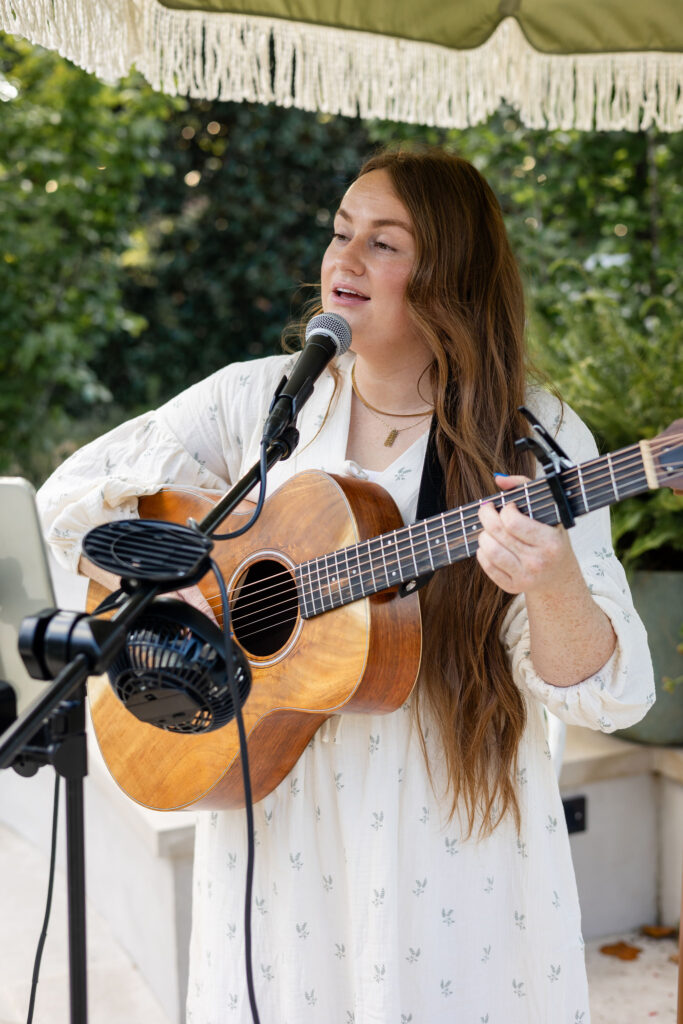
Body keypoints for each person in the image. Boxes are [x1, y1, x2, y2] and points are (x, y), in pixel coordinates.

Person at [38, 148, 654, 1023]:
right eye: (339, 232)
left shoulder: (533, 434)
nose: (343, 260)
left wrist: (550, 581)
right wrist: (162, 577)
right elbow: (72, 495)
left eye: (384, 243)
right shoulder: (261, 403)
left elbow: (607, 697)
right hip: (275, 820)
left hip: (443, 838)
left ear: (450, 272)